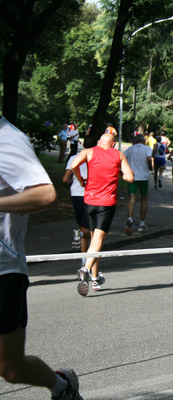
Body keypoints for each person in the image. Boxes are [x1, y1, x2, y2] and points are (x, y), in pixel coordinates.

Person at [0, 116, 83, 399]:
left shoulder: (8, 140)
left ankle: (62, 386)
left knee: (10, 369)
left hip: (3, 270)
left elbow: (46, 195)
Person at [71, 134, 134, 295]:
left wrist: (80, 180)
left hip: (90, 201)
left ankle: (95, 279)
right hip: (106, 203)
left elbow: (73, 165)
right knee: (98, 240)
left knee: (95, 241)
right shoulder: (118, 154)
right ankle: (85, 268)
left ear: (100, 142)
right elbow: (130, 178)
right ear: (113, 144)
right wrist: (118, 172)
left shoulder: (89, 152)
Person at [63, 142, 91, 268]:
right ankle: (88, 258)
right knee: (91, 229)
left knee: (82, 226)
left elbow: (65, 179)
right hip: (90, 195)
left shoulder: (73, 158)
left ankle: (83, 259)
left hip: (76, 194)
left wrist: (73, 181)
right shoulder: (94, 157)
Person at [124, 133, 153, 234]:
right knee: (144, 199)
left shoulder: (130, 149)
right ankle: (141, 223)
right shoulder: (147, 149)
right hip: (143, 177)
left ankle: (130, 218)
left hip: (132, 176)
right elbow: (149, 159)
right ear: (144, 141)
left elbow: (123, 159)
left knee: (132, 199)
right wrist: (150, 167)